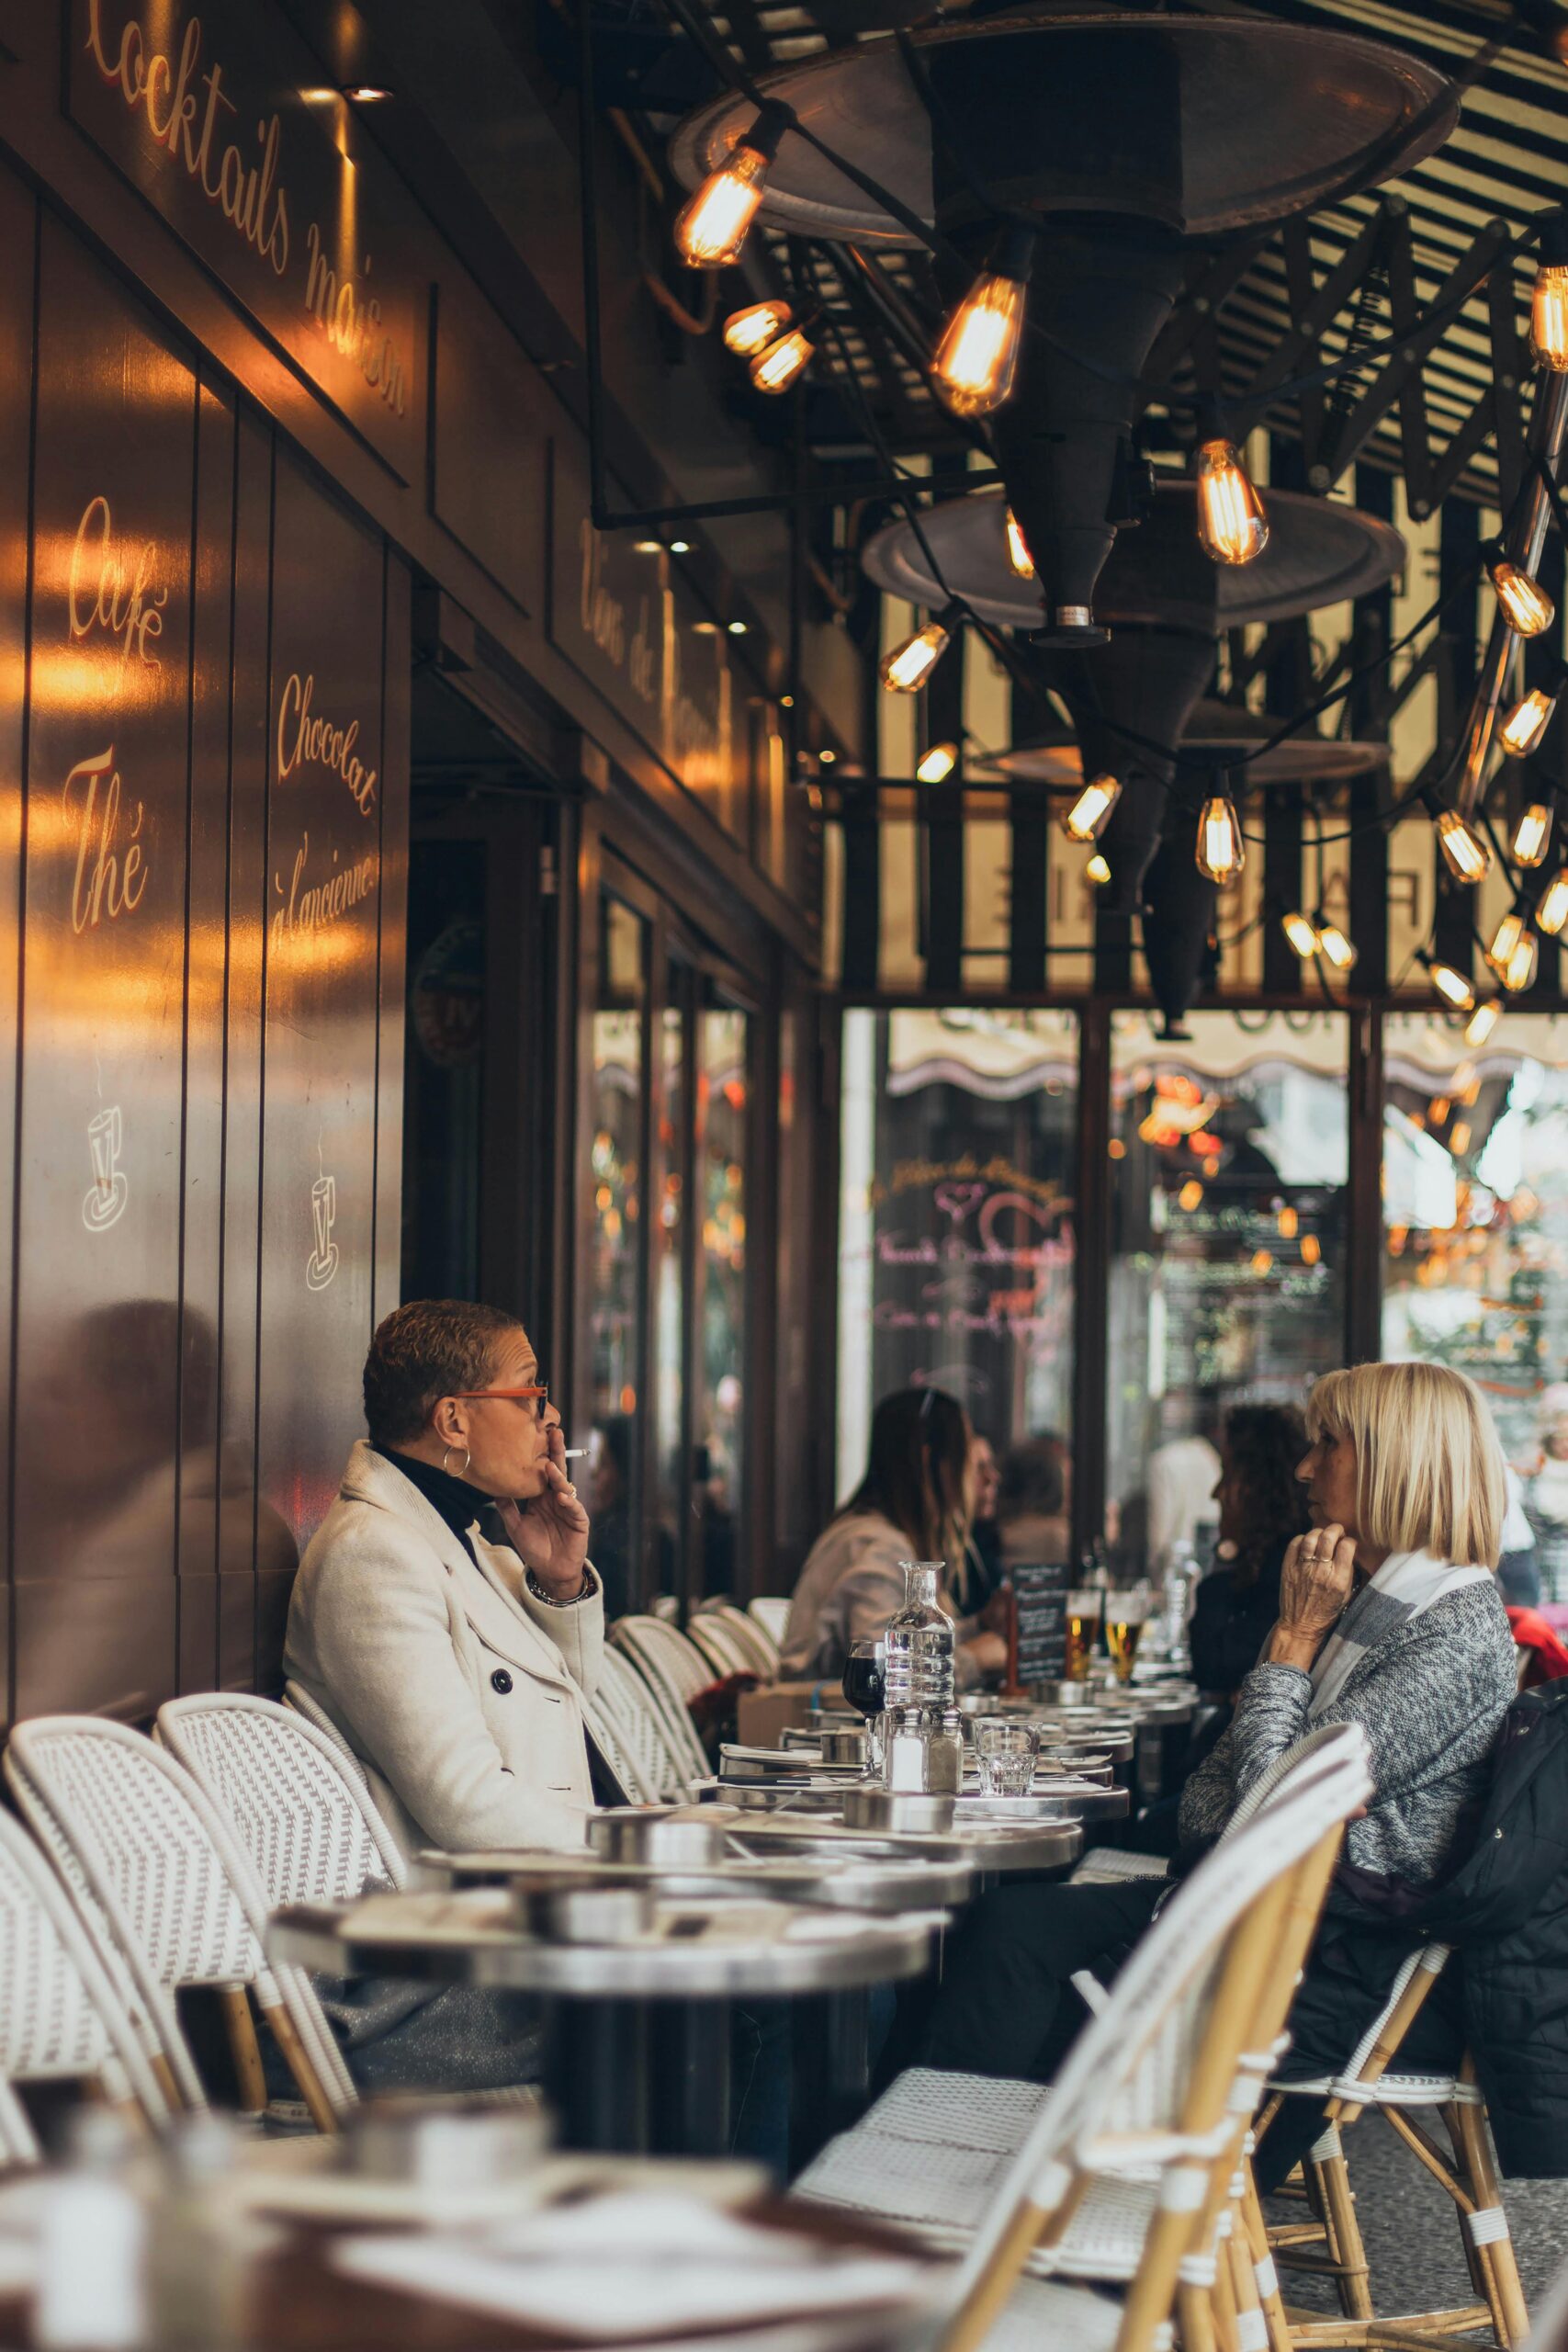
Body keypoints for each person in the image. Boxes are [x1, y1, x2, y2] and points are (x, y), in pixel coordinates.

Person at [917, 1362, 1517, 2190]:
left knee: (1010, 1944)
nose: (1305, 1469)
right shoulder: (1381, 1602)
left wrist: (1291, 1644)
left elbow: (1261, 1812)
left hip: (1333, 1961)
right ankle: (965, 2197)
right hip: (1286, 1919)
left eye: (1327, 1446)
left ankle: (977, 2203)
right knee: (1006, 1931)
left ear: (1395, 1460)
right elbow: (1212, 1800)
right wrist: (1275, 1696)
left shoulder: (1447, 1634)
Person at [286, 1298, 612, 1861]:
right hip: (485, 1913)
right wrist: (632, 1849)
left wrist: (560, 1583)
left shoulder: (470, 1543)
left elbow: (566, 1713)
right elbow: (466, 1804)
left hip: (560, 1875)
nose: (552, 1417)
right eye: (532, 1395)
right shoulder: (373, 1557)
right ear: (454, 1422)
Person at [780, 1387, 1006, 1687]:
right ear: (929, 1462)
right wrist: (975, 1658)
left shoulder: (875, 1532)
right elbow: (888, 1675)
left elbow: (910, 1643)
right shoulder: (877, 1546)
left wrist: (979, 1626)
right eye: (966, 1455)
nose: (981, 1476)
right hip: (827, 1729)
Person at [1188, 1403, 1311, 1703]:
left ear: (1260, 1485)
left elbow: (1214, 1666)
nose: (1216, 1493)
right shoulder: (1268, 1563)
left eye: (1227, 1474)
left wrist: (1225, 1556)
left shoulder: (1287, 1573)